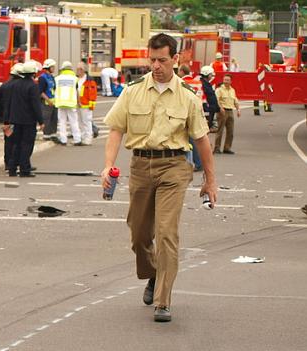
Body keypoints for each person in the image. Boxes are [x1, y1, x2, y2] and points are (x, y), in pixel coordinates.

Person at [102, 32, 217, 323]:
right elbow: (116, 129)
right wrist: (107, 165)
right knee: (139, 235)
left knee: (167, 234)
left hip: (174, 168)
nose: (156, 66)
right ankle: (153, 273)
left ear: (175, 59)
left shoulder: (188, 97)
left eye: (162, 60)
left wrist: (210, 181)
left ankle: (163, 300)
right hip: (141, 166)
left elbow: (202, 140)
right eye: (152, 59)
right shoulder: (132, 91)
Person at [3, 61, 43, 177]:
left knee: (16, 144)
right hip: (28, 121)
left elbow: (10, 102)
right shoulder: (33, 86)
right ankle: (24, 169)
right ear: (33, 73)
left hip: (15, 120)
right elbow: (35, 105)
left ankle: (12, 168)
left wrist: (8, 119)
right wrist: (41, 121)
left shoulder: (15, 85)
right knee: (27, 145)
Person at [177, 64, 203, 172]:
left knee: (183, 139)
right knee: (197, 139)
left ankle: (188, 163)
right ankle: (199, 162)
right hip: (197, 111)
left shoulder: (180, 83)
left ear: (182, 71)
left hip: (184, 113)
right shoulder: (198, 82)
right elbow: (202, 98)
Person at [54, 61, 81, 145]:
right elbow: (77, 91)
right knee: (74, 121)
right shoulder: (75, 79)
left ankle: (63, 140)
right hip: (71, 103)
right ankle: (77, 139)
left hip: (60, 102)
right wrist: (78, 102)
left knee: (62, 122)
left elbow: (54, 90)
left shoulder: (57, 78)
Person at [214, 74, 240, 154]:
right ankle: (217, 148)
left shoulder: (232, 90)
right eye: (225, 80)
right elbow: (216, 100)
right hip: (222, 111)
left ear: (231, 81)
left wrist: (238, 109)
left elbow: (235, 100)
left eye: (227, 80)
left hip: (230, 111)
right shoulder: (219, 90)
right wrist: (220, 108)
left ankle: (227, 148)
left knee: (230, 131)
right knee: (220, 130)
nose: (226, 81)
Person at [76, 63, 98, 145]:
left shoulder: (89, 81)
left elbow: (93, 93)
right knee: (80, 122)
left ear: (84, 70)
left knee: (87, 122)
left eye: (80, 69)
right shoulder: (76, 79)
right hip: (78, 104)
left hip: (86, 104)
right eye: (77, 69)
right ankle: (82, 137)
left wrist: (91, 105)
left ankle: (88, 138)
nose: (78, 71)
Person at [38, 59, 58, 139]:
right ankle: (46, 135)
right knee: (47, 118)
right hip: (46, 102)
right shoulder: (42, 78)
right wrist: (48, 100)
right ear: (48, 67)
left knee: (54, 118)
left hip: (53, 102)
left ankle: (53, 134)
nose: (54, 68)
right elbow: (40, 91)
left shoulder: (51, 77)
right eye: (52, 67)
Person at [199, 66, 219, 131]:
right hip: (206, 110)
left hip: (207, 109)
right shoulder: (204, 85)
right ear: (207, 74)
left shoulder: (206, 83)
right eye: (211, 74)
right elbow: (210, 98)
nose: (212, 76)